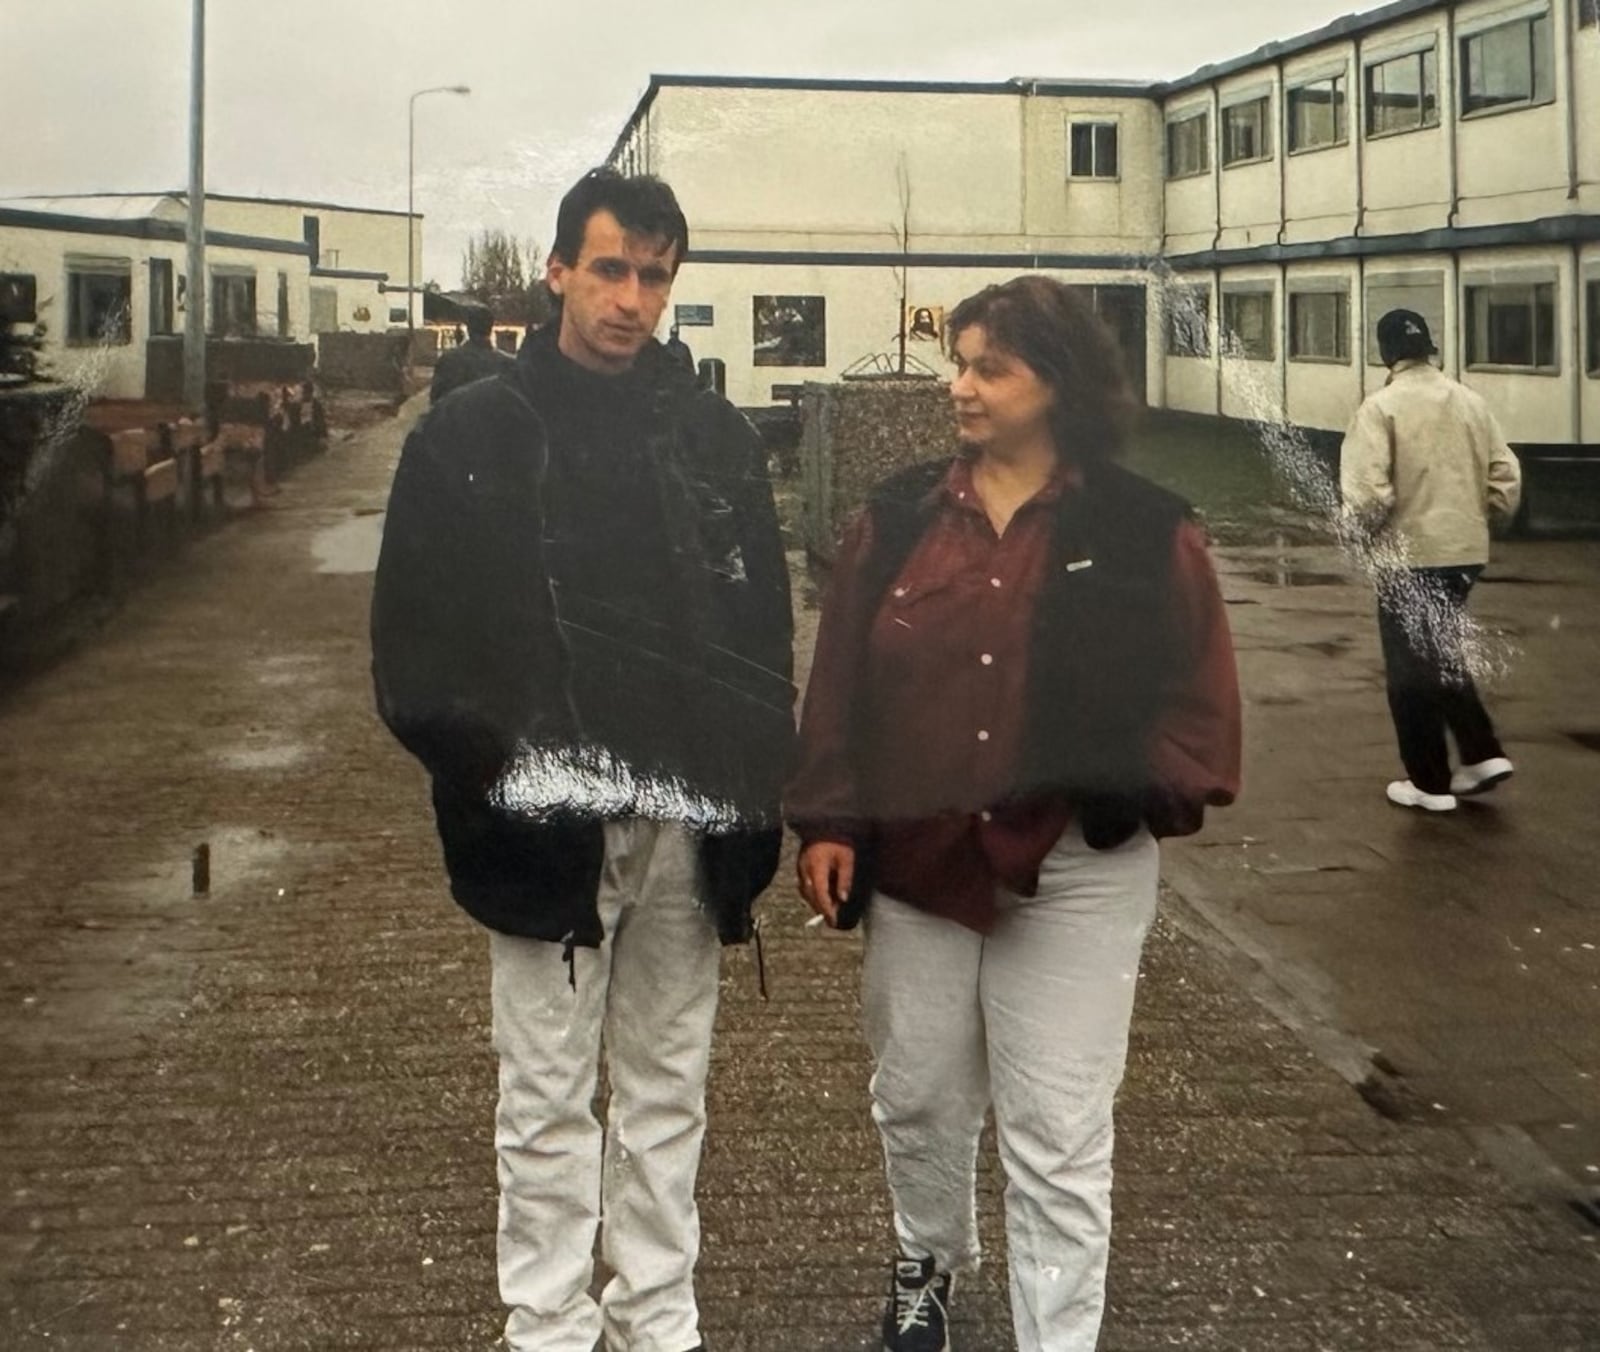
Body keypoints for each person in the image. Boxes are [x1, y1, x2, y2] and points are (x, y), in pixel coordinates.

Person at [371, 167, 796, 1352]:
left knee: (667, 1089)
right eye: (609, 268)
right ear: (556, 270)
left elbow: (764, 635)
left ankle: (658, 1318)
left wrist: (756, 797)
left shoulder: (713, 439)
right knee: (547, 1096)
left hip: (683, 825)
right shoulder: (471, 436)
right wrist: (504, 776)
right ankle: (547, 1325)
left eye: (654, 275)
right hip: (544, 830)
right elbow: (410, 651)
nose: (632, 298)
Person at [785, 275, 1240, 1352]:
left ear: (1059, 382)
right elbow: (837, 684)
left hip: (1076, 870)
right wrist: (829, 820)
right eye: (960, 361)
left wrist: (1125, 793)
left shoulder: (1145, 533)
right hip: (921, 860)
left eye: (991, 365)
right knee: (920, 1095)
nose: (962, 385)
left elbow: (1201, 707)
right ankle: (926, 1259)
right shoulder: (895, 521)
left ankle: (1056, 1333)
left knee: (1059, 1128)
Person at [1341, 308, 1522, 813]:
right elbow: (1505, 477)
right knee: (1439, 650)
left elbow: (1370, 496)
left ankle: (1428, 781)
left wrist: (1359, 540)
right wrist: (1483, 519)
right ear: (1430, 348)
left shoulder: (1379, 409)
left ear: (1385, 352)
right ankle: (1481, 752)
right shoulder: (1471, 402)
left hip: (1407, 554)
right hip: (1463, 550)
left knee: (1407, 668)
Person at [430, 305, 514, 404]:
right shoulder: (508, 365)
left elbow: (435, 400)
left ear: (468, 328)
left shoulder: (448, 360)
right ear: (491, 327)